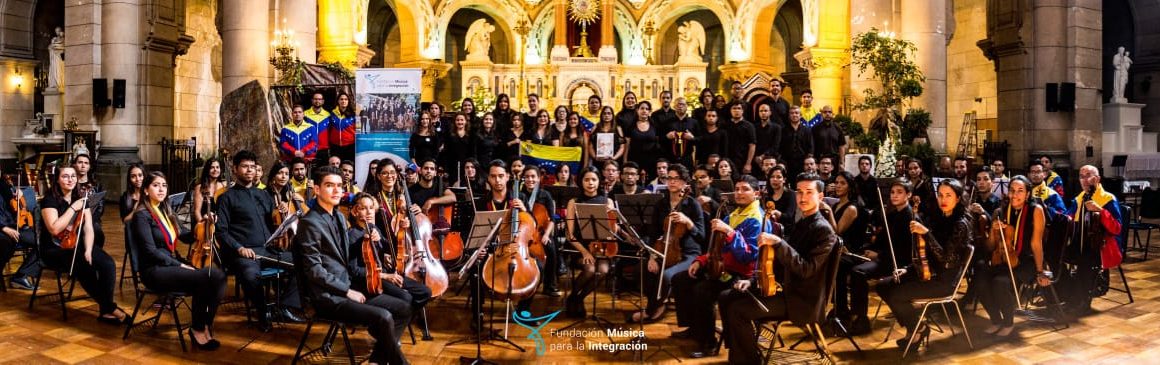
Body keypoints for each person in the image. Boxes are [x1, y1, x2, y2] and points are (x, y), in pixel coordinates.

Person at [293, 167, 408, 365]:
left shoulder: (338, 216)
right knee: (384, 316)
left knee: (404, 307)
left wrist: (366, 238)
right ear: (317, 190)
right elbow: (314, 271)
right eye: (330, 186)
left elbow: (343, 254)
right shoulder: (309, 223)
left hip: (346, 285)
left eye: (339, 186)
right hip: (327, 297)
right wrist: (347, 291)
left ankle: (377, 360)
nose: (336, 190)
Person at [719, 173, 836, 364]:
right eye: (799, 192)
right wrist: (753, 280)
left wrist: (779, 242)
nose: (803, 197)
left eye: (809, 192)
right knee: (727, 297)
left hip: (802, 299)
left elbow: (806, 269)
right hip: (787, 289)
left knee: (738, 310)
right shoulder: (803, 223)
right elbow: (780, 265)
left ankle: (749, 360)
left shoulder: (823, 230)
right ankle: (740, 352)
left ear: (820, 197)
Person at [671, 175, 770, 358]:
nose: (739, 193)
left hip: (744, 274)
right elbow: (717, 248)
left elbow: (748, 256)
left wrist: (730, 232)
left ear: (756, 194)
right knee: (681, 279)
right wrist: (700, 260)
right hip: (723, 267)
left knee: (703, 290)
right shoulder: (733, 214)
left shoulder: (757, 219)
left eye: (745, 189)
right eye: (737, 189)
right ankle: (694, 328)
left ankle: (708, 344)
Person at [130, 171, 227, 350]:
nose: (161, 189)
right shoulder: (141, 216)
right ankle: (197, 329)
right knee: (205, 278)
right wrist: (180, 264)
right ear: (145, 190)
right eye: (156, 185)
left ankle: (204, 324)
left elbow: (186, 236)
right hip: (154, 270)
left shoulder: (165, 210)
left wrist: (203, 224)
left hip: (171, 265)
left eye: (164, 185)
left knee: (219, 276)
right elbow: (150, 251)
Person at [877, 179, 974, 348]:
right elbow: (925, 254)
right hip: (928, 273)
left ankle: (916, 329)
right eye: (940, 195)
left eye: (948, 196)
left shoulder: (961, 224)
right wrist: (907, 269)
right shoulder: (939, 217)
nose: (943, 200)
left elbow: (946, 259)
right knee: (883, 286)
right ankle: (917, 327)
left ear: (958, 198)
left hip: (944, 281)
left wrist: (927, 233)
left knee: (896, 294)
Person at [216, 150, 300, 330]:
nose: (249, 171)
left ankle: (285, 307)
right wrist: (239, 248)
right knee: (250, 275)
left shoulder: (264, 195)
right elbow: (221, 231)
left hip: (268, 249)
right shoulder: (226, 198)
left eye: (252, 167)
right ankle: (263, 314)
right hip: (245, 252)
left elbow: (274, 221)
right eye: (245, 167)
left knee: (303, 261)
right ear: (235, 169)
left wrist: (283, 213)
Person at [39, 165, 126, 324]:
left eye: (73, 176)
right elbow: (54, 228)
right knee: (84, 267)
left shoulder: (80, 197)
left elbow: (88, 228)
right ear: (57, 180)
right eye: (65, 176)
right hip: (54, 249)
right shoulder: (49, 200)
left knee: (108, 264)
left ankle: (106, 310)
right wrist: (73, 208)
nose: (70, 179)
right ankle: (109, 308)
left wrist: (88, 249)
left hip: (76, 245)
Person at [346, 193, 430, 339]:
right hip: (369, 281)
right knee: (406, 298)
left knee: (424, 292)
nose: (369, 212)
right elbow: (353, 271)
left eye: (371, 208)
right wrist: (385, 275)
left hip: (386, 275)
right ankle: (387, 334)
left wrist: (402, 231)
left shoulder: (374, 228)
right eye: (364, 208)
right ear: (355, 212)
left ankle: (389, 326)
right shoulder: (352, 235)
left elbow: (391, 249)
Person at [630, 164, 704, 323]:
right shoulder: (661, 205)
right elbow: (653, 234)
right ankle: (658, 304)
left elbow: (701, 236)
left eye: (676, 178)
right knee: (641, 269)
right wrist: (651, 256)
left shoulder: (692, 205)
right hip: (663, 250)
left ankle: (651, 310)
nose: (672, 182)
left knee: (666, 276)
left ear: (685, 183)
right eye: (669, 178)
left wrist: (689, 222)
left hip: (688, 254)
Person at [976, 176, 1047, 337]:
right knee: (980, 282)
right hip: (1002, 259)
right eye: (1012, 190)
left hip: (1025, 262)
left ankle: (1008, 322)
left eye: (1020, 191)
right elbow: (989, 247)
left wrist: (1040, 270)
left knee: (999, 282)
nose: (1015, 195)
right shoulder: (999, 212)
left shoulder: (1036, 211)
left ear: (1028, 194)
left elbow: (1037, 243)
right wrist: (993, 233)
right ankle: (996, 320)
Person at [1061, 165, 1123, 315]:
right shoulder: (1079, 199)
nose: (1085, 179)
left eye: (1088, 175)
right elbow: (1068, 220)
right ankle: (1069, 295)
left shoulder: (1108, 199)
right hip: (1080, 242)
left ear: (1098, 179)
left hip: (1101, 246)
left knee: (1085, 260)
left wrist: (1100, 211)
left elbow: (1117, 228)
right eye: (1081, 176)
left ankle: (1082, 301)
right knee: (1056, 256)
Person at [563, 166, 616, 318]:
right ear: (581, 182)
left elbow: (613, 232)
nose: (590, 183)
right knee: (591, 269)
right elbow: (570, 234)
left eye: (594, 179)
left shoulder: (608, 201)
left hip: (601, 247)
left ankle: (575, 298)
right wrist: (584, 251)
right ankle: (575, 297)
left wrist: (611, 216)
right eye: (586, 179)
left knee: (603, 271)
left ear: (599, 181)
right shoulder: (574, 202)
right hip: (578, 247)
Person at [829, 171, 871, 334]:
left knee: (836, 266)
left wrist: (827, 211)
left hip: (854, 252)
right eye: (837, 182)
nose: (838, 186)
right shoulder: (836, 205)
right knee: (830, 263)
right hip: (841, 250)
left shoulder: (852, 207)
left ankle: (842, 310)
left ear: (850, 187)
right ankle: (839, 308)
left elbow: (837, 231)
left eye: (842, 183)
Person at [519, 166, 562, 297]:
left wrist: (547, 235)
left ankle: (549, 286)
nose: (530, 179)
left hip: (542, 232)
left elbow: (552, 218)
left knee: (551, 249)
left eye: (533, 176)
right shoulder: (520, 195)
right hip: (524, 232)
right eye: (527, 177)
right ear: (523, 179)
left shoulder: (545, 195)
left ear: (538, 178)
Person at [626, 101, 661, 174]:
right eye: (642, 108)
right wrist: (625, 161)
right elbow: (627, 145)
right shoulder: (631, 125)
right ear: (637, 110)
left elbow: (658, 143)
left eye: (647, 109)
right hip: (634, 160)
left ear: (650, 111)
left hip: (651, 161)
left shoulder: (654, 125)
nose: (644, 111)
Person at [440, 113, 474, 184]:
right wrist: (446, 169)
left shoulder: (471, 135)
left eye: (462, 120)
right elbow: (446, 153)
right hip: (452, 166)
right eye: (457, 120)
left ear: (466, 121)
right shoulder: (449, 135)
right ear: (454, 122)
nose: (460, 122)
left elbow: (473, 152)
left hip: (466, 166)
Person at [780, 106, 813, 177]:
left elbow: (810, 147)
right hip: (787, 163)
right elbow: (780, 147)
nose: (794, 115)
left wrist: (808, 161)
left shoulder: (807, 130)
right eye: (792, 113)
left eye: (796, 113)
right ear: (789, 116)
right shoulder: (783, 130)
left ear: (800, 115)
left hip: (802, 163)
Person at [725, 103, 756, 175]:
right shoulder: (725, 125)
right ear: (730, 111)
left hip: (743, 161)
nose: (736, 110)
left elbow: (752, 145)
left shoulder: (749, 126)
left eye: (739, 108)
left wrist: (748, 163)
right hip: (728, 161)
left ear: (743, 111)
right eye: (734, 108)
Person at [753, 103, 783, 174]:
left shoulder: (777, 127)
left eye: (765, 111)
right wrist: (756, 157)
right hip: (756, 160)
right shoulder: (754, 127)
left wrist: (762, 156)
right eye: (761, 111)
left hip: (771, 159)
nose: (763, 113)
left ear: (770, 112)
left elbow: (775, 146)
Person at [329, 92, 357, 161]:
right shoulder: (332, 114)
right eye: (341, 99)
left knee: (348, 166)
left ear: (348, 101)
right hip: (335, 146)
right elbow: (329, 129)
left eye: (346, 99)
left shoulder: (354, 114)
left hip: (350, 146)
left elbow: (358, 130)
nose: (343, 101)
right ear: (338, 101)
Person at [305, 92, 334, 159]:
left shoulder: (328, 115)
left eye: (319, 99)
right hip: (308, 148)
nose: (317, 101)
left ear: (323, 101)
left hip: (324, 149)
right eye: (315, 99)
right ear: (312, 100)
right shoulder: (305, 114)